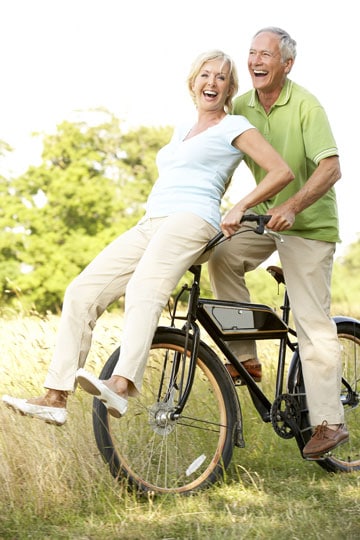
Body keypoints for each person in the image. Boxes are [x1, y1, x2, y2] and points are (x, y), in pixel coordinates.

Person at [2, 50, 294, 426]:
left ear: (229, 89)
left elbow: (280, 171)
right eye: (206, 75)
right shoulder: (180, 133)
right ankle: (55, 397)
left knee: (144, 288)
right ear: (193, 83)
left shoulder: (233, 126)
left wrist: (239, 207)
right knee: (81, 291)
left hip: (194, 219)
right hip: (153, 220)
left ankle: (121, 385)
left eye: (222, 78)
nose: (212, 82)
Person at [208, 28, 349, 459]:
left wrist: (293, 205)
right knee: (221, 255)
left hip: (309, 227)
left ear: (286, 64)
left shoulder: (306, 105)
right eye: (251, 53)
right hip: (265, 221)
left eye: (265, 54)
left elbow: (332, 168)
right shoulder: (243, 105)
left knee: (311, 323)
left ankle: (329, 422)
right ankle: (246, 356)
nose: (256, 60)